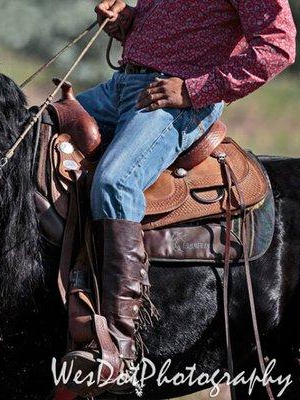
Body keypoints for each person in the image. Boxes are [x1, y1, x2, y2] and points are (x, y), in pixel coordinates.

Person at [65, 0, 296, 393]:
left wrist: (194, 90)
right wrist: (129, 21)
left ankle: (118, 344)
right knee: (36, 136)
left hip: (176, 100)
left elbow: (279, 45)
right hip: (124, 85)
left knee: (114, 182)